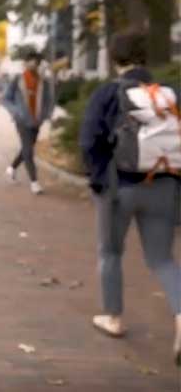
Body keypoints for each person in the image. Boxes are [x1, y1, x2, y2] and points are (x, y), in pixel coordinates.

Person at [79, 31, 181, 365]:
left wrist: (96, 181)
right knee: (162, 260)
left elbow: (90, 140)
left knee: (110, 251)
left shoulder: (109, 92)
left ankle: (113, 317)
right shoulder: (169, 94)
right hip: (164, 185)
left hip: (119, 187)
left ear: (115, 59)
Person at [2, 50, 53, 195]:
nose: (33, 63)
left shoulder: (44, 81)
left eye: (36, 61)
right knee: (29, 151)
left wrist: (46, 115)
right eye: (30, 60)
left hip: (36, 122)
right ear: (25, 63)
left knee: (26, 148)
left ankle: (11, 168)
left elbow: (49, 100)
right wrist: (15, 112)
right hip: (22, 121)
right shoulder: (18, 79)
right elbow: (6, 99)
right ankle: (34, 182)